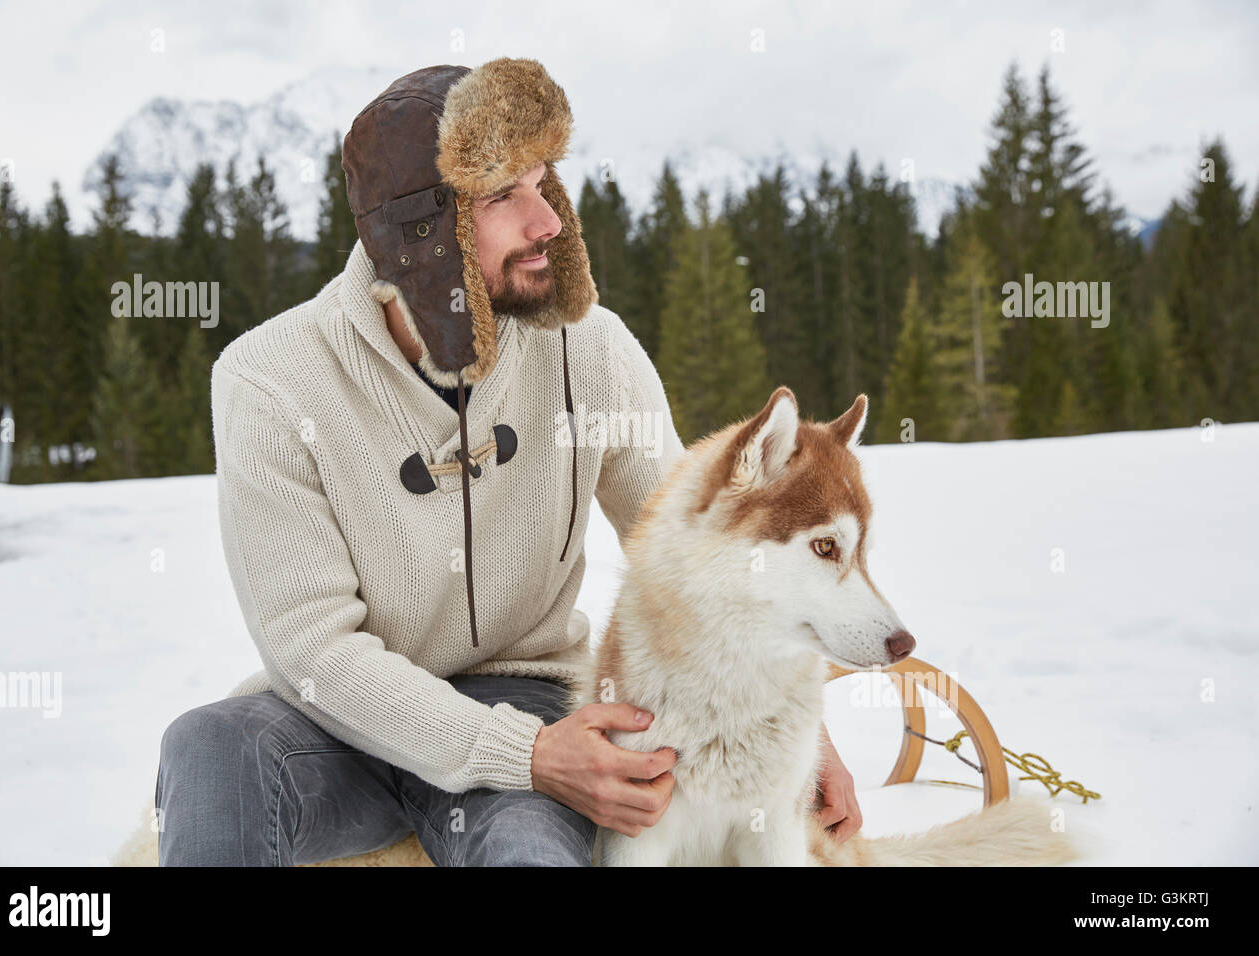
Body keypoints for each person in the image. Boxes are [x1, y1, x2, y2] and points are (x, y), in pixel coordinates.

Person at [155, 57, 859, 867]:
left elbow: (697, 563)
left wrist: (804, 741)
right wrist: (520, 753)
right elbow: (311, 648)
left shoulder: (590, 351)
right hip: (336, 727)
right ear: (421, 232)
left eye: (544, 181)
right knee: (208, 746)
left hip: (528, 697)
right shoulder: (270, 379)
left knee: (529, 852)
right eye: (503, 195)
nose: (548, 221)